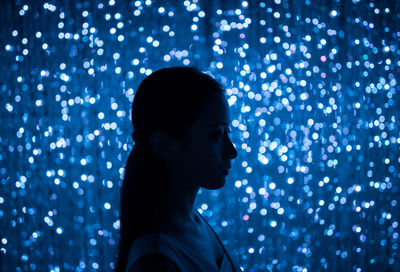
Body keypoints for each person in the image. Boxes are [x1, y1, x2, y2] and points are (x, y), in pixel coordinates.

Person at [115, 67, 239, 272]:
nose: (231, 151)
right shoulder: (155, 262)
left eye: (228, 132)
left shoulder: (195, 222)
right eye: (216, 135)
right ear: (165, 146)